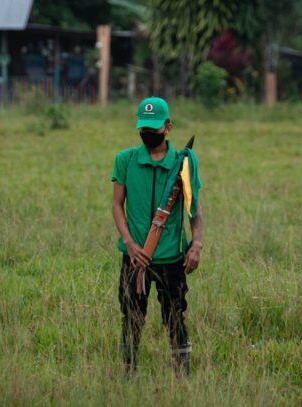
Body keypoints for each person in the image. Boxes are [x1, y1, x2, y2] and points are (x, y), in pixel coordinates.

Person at [111, 96, 203, 377]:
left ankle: (182, 376)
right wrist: (129, 243)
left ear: (168, 127)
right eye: (144, 129)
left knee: (175, 317)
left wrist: (196, 243)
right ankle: (128, 373)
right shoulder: (125, 160)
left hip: (171, 259)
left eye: (154, 129)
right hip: (134, 257)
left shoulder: (183, 163)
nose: (148, 134)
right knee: (131, 317)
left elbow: (193, 210)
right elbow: (117, 205)